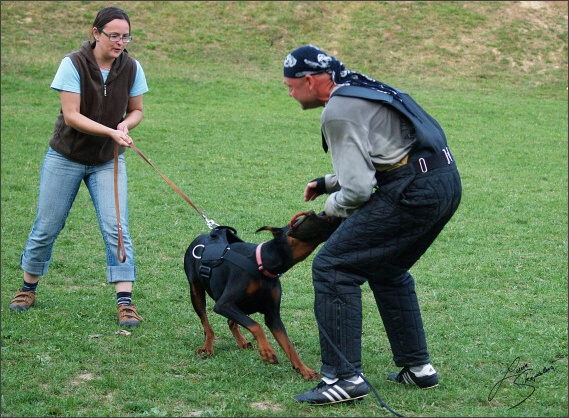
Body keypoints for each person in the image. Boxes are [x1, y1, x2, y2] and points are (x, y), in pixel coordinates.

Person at [282, 45, 462, 405]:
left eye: (290, 85)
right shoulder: (363, 87)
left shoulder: (337, 111)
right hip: (444, 181)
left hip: (411, 191)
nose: (288, 92)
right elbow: (388, 148)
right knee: (387, 268)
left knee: (333, 266)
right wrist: (329, 182)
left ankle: (344, 378)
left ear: (311, 80)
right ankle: (418, 369)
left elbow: (360, 190)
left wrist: (329, 211)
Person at [9, 6, 149, 328]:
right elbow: (72, 115)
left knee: (117, 229)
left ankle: (125, 301)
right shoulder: (72, 64)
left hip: (106, 161)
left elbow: (137, 109)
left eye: (125, 36)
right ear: (96, 33)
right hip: (65, 156)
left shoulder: (131, 67)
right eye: (113, 35)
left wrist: (126, 125)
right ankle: (27, 288)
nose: (120, 42)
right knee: (47, 225)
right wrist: (111, 131)